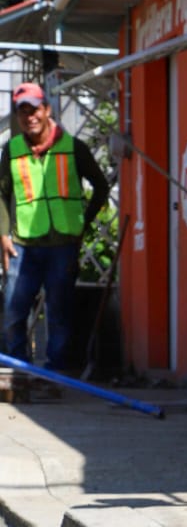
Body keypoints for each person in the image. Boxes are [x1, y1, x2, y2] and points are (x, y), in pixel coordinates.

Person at [0, 82, 110, 370]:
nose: (30, 117)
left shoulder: (74, 148)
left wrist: (82, 225)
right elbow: (1, 194)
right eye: (23, 111)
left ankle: (54, 374)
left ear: (47, 110)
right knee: (13, 312)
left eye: (34, 109)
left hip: (63, 245)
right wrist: (3, 234)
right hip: (22, 246)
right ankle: (19, 372)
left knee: (59, 313)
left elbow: (101, 186)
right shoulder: (10, 151)